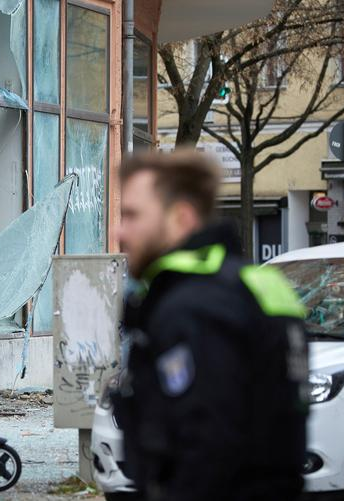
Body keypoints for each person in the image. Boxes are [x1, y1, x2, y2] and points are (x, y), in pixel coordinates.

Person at [111, 150, 309, 501]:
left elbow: (207, 450)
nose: (119, 232)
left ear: (182, 219)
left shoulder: (192, 308)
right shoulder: (253, 286)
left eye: (132, 216)